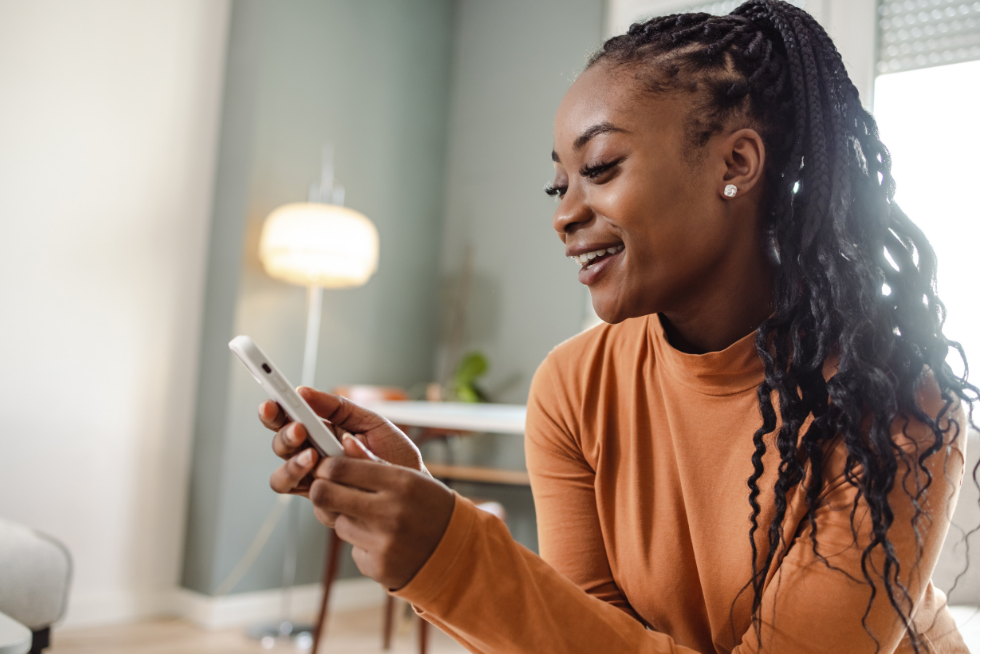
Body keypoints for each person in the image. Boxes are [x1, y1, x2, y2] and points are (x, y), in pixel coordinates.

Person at [259, 1, 977, 652]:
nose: (563, 213)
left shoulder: (891, 400)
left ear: (736, 162)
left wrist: (453, 557)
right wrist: (428, 527)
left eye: (600, 167)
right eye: (558, 183)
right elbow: (590, 632)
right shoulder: (574, 386)